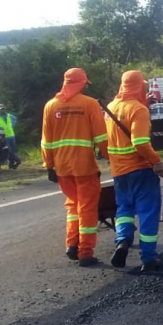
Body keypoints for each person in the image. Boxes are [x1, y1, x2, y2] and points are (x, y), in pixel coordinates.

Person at [41, 68, 110, 266]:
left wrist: (49, 166)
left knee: (73, 206)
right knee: (87, 209)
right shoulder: (89, 104)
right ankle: (85, 252)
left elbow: (46, 141)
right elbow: (101, 137)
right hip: (84, 166)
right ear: (81, 83)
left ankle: (72, 245)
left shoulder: (50, 106)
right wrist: (111, 157)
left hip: (62, 167)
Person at [105, 71, 163, 272]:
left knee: (124, 208)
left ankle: (123, 240)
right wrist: (156, 160)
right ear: (139, 86)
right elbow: (139, 142)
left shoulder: (111, 107)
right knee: (148, 212)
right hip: (140, 169)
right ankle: (148, 257)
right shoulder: (138, 109)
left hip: (119, 171)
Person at [0, 104, 22, 169]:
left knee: (12, 150)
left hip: (12, 135)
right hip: (3, 136)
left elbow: (15, 119)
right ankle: (17, 160)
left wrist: (12, 125)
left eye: (3, 109)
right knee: (9, 150)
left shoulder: (9, 115)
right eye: (1, 109)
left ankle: (11, 164)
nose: (2, 110)